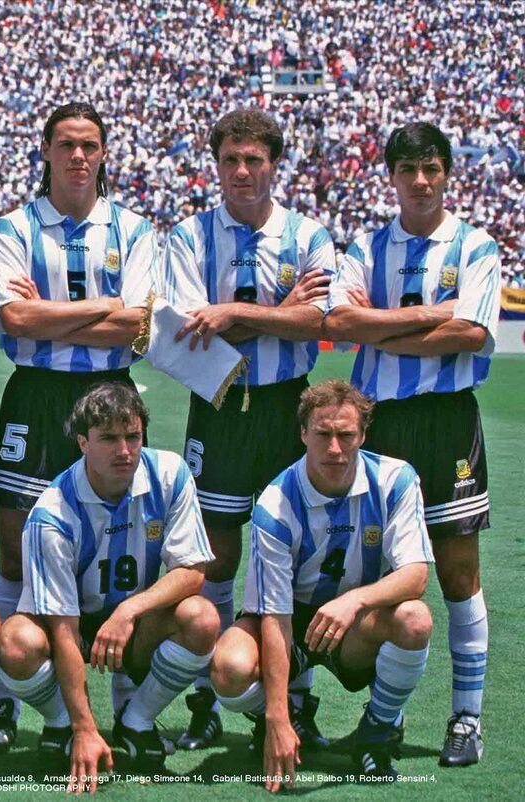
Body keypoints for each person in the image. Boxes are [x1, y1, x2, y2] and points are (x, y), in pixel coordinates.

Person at [323, 122, 502, 767]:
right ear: (391, 177)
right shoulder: (367, 247)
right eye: (408, 170)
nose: (421, 181)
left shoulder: (476, 245)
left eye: (431, 168)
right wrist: (432, 314)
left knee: (457, 574)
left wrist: (382, 329)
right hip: (384, 424)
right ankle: (384, 721)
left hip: (448, 420)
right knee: (382, 575)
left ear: (447, 172)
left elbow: (472, 333)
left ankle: (466, 719)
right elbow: (340, 322)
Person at [0, 102, 156, 753]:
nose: (78, 156)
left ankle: (128, 712)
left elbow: (135, 325)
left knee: (123, 553)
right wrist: (102, 306)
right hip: (35, 396)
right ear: (47, 152)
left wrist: (50, 312)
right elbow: (14, 319)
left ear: (103, 153)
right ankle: (5, 707)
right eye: (66, 144)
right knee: (15, 552)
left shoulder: (133, 229)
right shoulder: (13, 226)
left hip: (111, 393)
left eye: (89, 145)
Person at [162, 108, 337, 750]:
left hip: (289, 405)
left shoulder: (308, 234)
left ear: (274, 164)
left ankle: (296, 700)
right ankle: (207, 700)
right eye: (230, 159)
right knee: (216, 554)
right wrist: (276, 312)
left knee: (292, 551)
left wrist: (236, 312)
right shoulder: (189, 236)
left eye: (254, 159)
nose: (242, 171)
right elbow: (191, 332)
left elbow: (317, 320)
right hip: (218, 403)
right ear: (216, 165)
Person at [210, 380, 434, 788]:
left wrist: (354, 602)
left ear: (363, 435)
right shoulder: (275, 504)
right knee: (229, 667)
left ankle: (378, 730)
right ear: (303, 434)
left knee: (414, 619)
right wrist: (277, 718)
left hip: (356, 624)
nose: (334, 448)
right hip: (291, 620)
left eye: (346, 435)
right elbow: (275, 617)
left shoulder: (396, 480)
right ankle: (288, 716)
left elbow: (415, 574)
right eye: (323, 434)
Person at [0, 383, 216, 789]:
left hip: (134, 622)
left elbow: (193, 570)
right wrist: (84, 727)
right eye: (109, 439)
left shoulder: (170, 474)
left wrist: (129, 611)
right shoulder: (52, 514)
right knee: (15, 642)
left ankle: (136, 721)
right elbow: (63, 630)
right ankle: (62, 722)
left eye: (133, 436)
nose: (125, 450)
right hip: (72, 628)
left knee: (201, 617)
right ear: (82, 442)